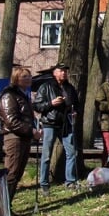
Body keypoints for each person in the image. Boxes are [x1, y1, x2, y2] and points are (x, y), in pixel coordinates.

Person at [33, 63, 80, 194]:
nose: (64, 73)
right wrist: (51, 103)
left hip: (66, 123)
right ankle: (44, 183)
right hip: (50, 123)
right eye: (61, 71)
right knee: (47, 154)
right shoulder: (46, 87)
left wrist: (75, 112)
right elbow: (37, 106)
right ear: (55, 73)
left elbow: (76, 104)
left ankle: (70, 181)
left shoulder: (70, 88)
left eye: (65, 71)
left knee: (72, 152)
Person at [0, 66, 42, 202]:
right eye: (24, 76)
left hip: (24, 137)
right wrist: (31, 131)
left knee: (18, 173)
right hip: (14, 137)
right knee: (11, 172)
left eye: (29, 76)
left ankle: (7, 205)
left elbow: (27, 117)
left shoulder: (24, 94)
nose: (28, 79)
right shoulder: (9, 95)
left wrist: (36, 127)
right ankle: (2, 207)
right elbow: (11, 121)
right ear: (16, 78)